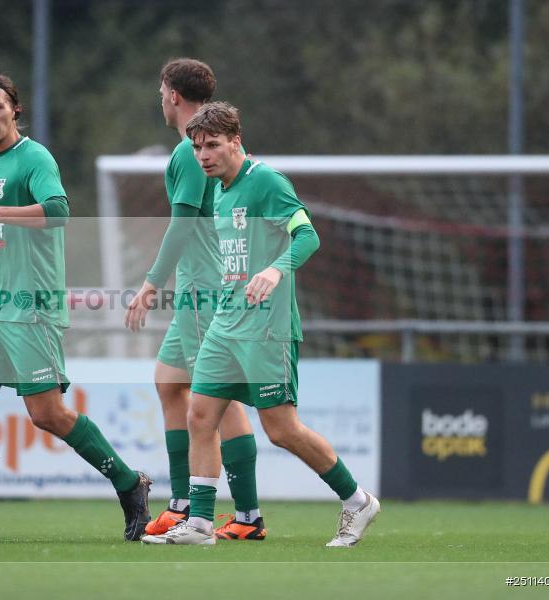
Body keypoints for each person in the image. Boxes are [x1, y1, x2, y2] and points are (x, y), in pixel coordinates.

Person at [142, 102, 380, 546]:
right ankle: (198, 524)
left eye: (212, 145)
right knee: (199, 413)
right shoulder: (220, 191)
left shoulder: (265, 181)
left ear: (236, 140)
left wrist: (275, 269)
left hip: (267, 329)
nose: (203, 155)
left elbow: (307, 234)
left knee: (281, 429)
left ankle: (357, 501)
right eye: (197, 148)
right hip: (226, 323)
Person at [0, 73, 152, 543]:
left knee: (47, 414)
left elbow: (59, 211)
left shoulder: (34, 157)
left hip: (31, 307)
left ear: (14, 110)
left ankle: (129, 483)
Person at [125, 59, 265, 540]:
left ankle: (245, 515)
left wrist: (150, 283)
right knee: (168, 381)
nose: (159, 98)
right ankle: (184, 502)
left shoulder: (190, 150)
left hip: (206, 292)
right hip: (196, 291)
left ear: (172, 95)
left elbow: (182, 227)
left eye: (160, 90)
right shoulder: (201, 145)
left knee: (220, 402)